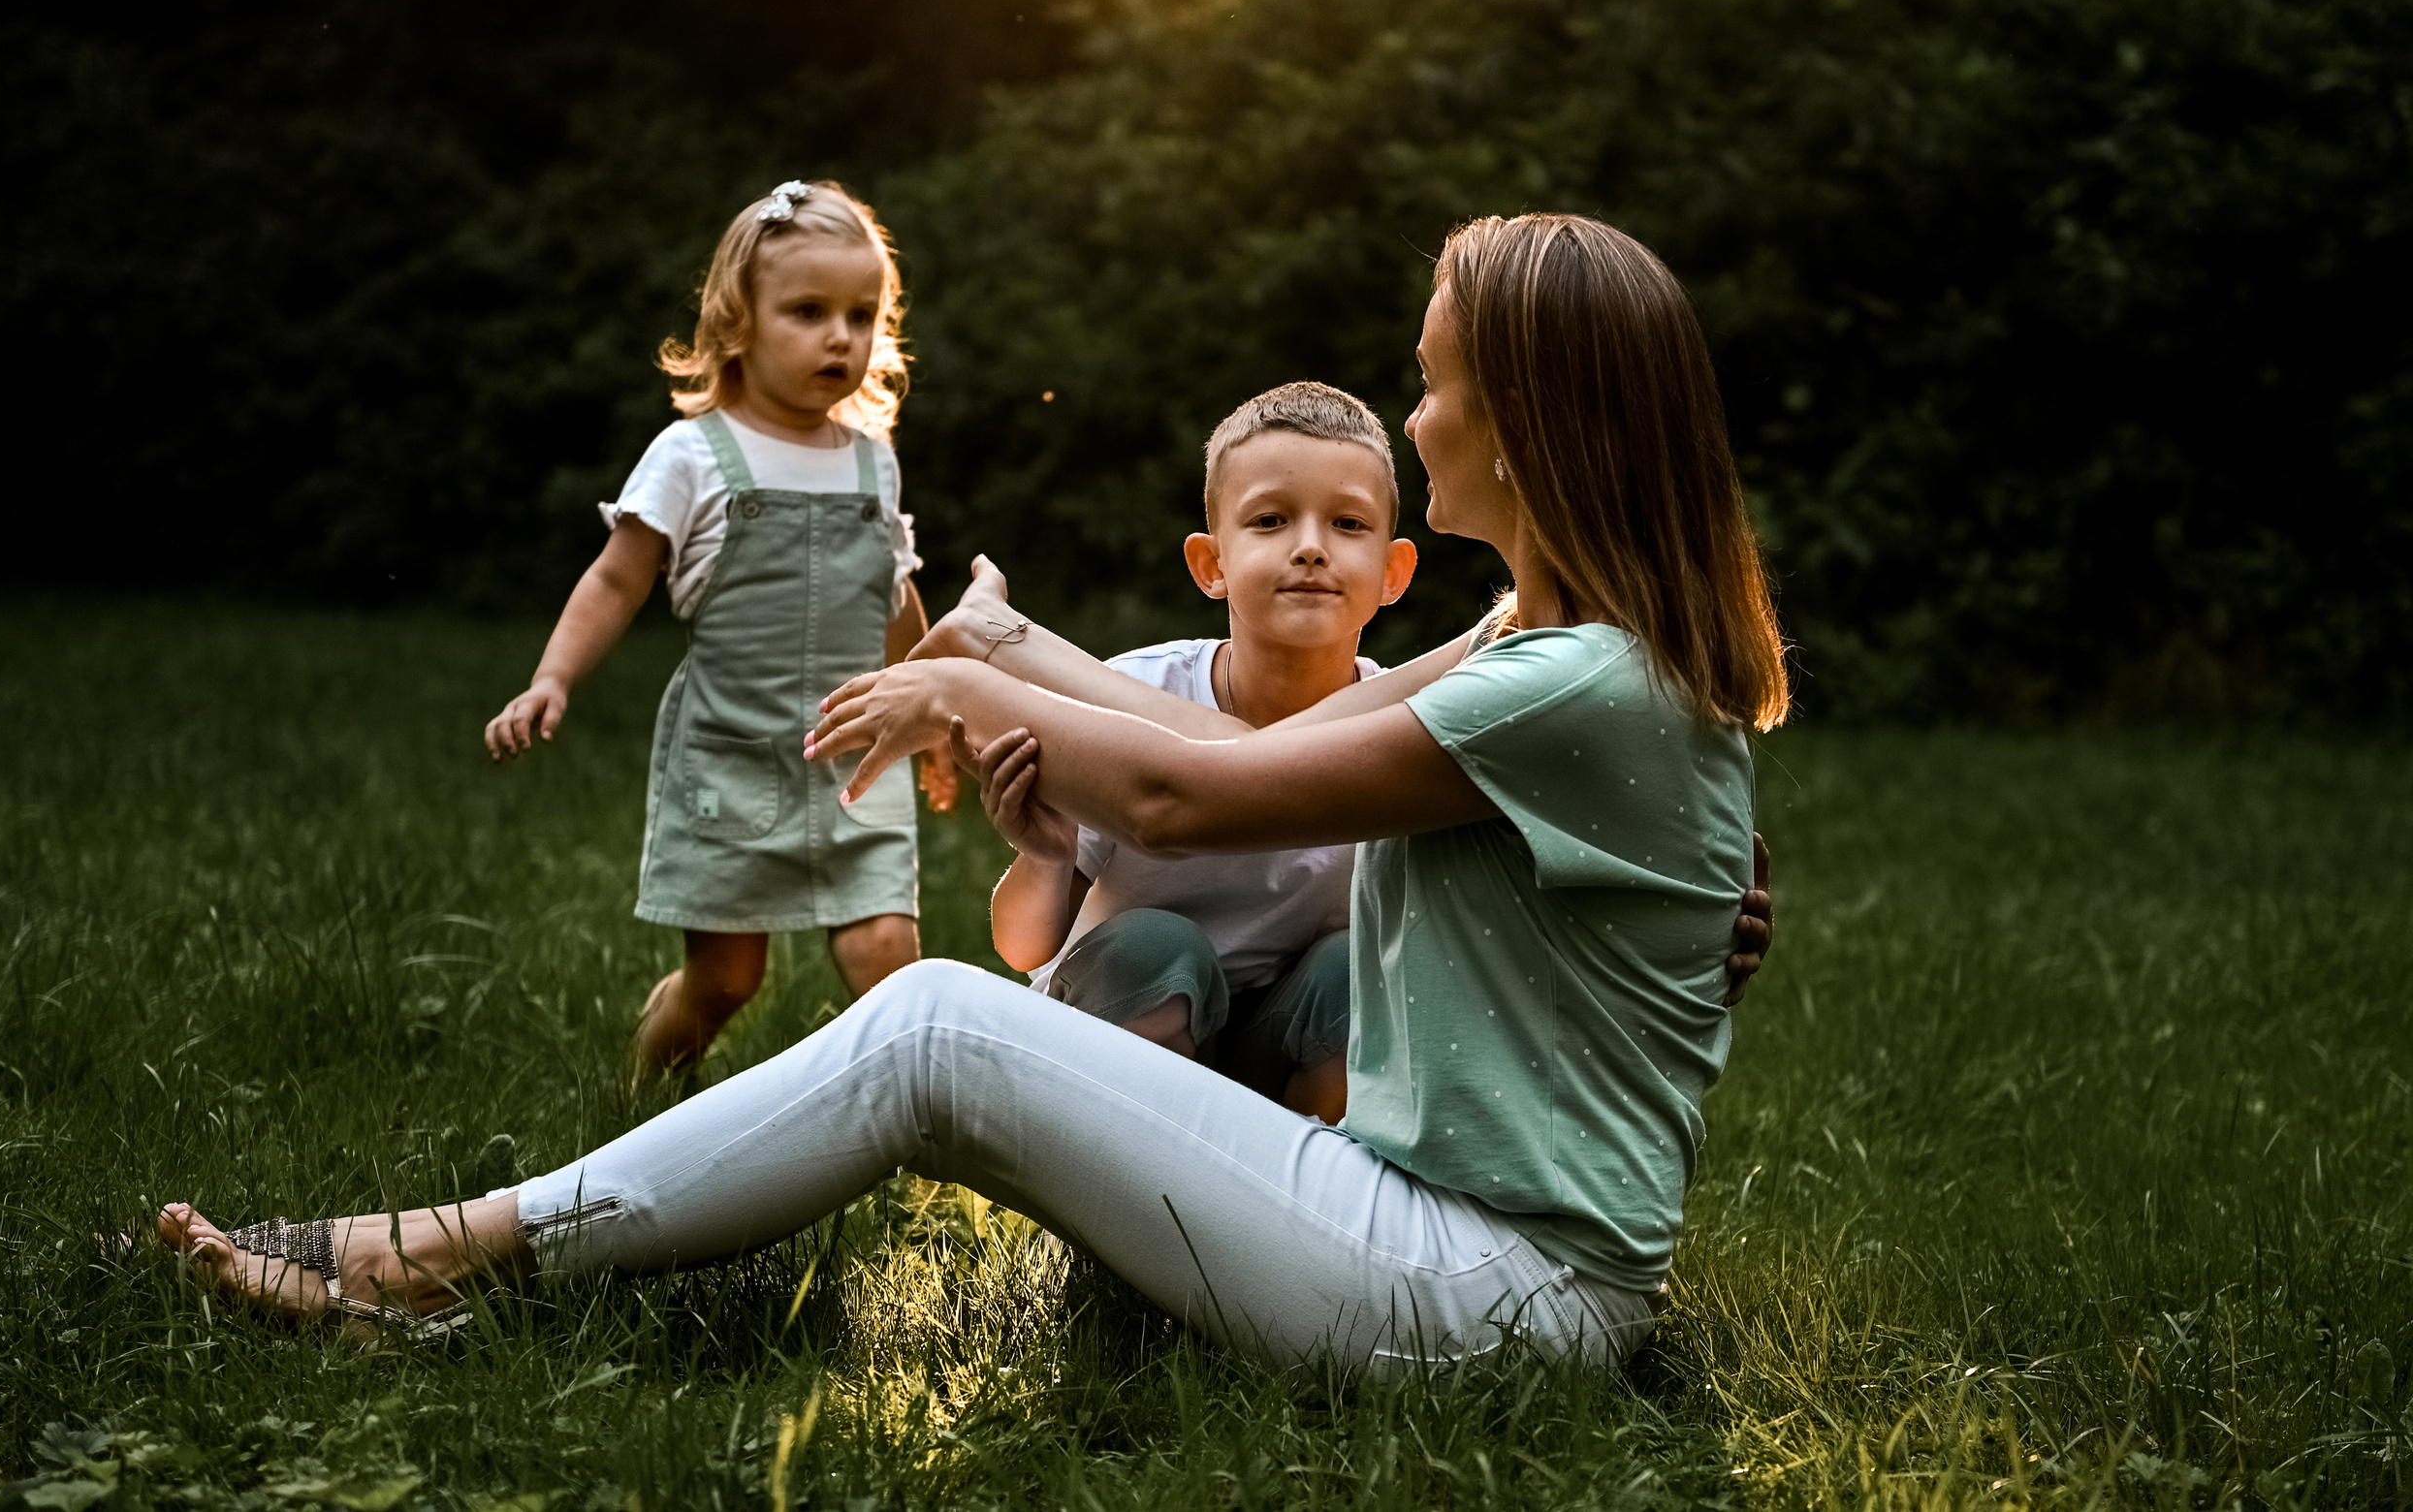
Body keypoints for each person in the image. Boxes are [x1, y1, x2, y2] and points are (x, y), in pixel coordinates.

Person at [161, 211, 1789, 1374]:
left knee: (942, 1024)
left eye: (1438, 383)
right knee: (939, 1047)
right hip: (1450, 1240)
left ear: (1536, 417)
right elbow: (1233, 765)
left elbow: (1189, 803)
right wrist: (1012, 653)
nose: (1417, 409)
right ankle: (450, 1251)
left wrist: (961, 681)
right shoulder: (1549, 643)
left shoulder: (1579, 680)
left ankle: (441, 1258)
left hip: (1497, 1285)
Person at [481, 179, 953, 1075]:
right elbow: (616, 578)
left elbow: (895, 596)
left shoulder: (870, 463)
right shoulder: (693, 454)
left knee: (887, 956)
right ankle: (642, 1091)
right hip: (733, 757)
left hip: (855, 756)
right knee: (726, 979)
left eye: (861, 315)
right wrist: (553, 678)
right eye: (809, 311)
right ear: (738, 321)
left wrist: (929, 714)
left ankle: (918, 1134)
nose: (840, 338)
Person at [977, 382, 1416, 1123]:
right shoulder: (1129, 693)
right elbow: (1022, 948)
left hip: (1269, 1055)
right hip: (1114, 1033)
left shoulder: (1397, 734)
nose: (1310, 545)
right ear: (1211, 563)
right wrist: (1044, 856)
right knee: (1157, 946)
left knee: (1362, 969)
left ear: (1393, 572)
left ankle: (1299, 1209)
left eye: (1347, 523)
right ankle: (1131, 1209)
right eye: (1271, 520)